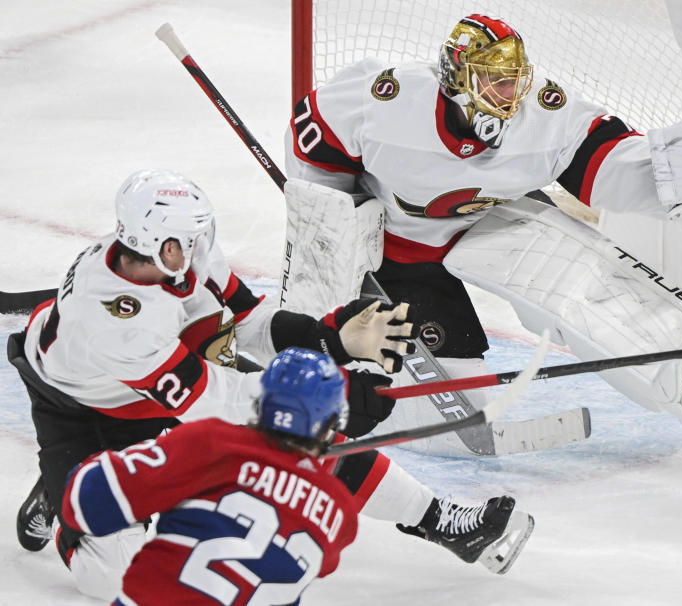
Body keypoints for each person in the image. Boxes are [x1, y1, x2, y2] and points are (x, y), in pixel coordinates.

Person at [283, 14, 682, 447]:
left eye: (515, 79)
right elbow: (312, 146)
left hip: (488, 223)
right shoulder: (387, 102)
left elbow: (608, 164)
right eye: (494, 80)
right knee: (460, 401)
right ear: (457, 77)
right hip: (397, 252)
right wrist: (338, 228)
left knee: (574, 277)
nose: (511, 94)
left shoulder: (541, 115)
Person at [8, 169, 415, 598]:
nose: (205, 245)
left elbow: (250, 321)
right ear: (164, 247)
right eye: (192, 238)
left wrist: (330, 340)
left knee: (297, 434)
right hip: (82, 409)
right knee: (115, 575)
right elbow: (209, 399)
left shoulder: (167, 262)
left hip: (156, 379)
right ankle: (67, 506)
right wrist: (328, 393)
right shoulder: (118, 322)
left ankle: (433, 514)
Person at [60, 347, 534, 604]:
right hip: (114, 390)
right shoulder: (337, 516)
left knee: (107, 569)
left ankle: (433, 516)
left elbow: (86, 499)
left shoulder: (209, 442)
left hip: (145, 431)